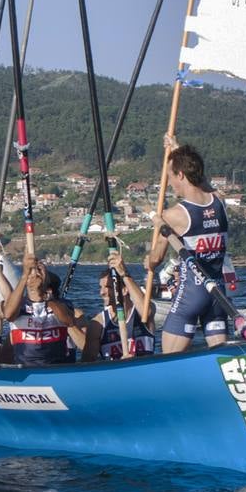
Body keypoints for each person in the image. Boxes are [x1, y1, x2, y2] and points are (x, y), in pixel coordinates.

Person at [145, 138, 232, 354]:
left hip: (191, 295)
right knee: (221, 358)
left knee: (170, 362)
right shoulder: (219, 200)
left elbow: (155, 261)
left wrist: (148, 260)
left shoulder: (174, 215)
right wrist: (177, 150)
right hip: (217, 295)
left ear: (180, 175)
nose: (170, 183)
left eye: (170, 176)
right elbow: (200, 180)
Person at [0, 253, 86, 365]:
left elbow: (68, 321)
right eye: (31, 271)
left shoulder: (61, 304)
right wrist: (24, 275)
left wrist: (44, 295)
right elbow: (9, 315)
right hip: (26, 371)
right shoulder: (19, 306)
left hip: (55, 369)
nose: (36, 274)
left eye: (40, 270)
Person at [84, 250, 155, 361]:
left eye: (108, 287)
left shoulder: (142, 313)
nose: (101, 292)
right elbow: (88, 364)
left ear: (124, 289)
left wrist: (124, 274)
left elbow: (148, 312)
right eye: (101, 287)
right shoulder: (97, 325)